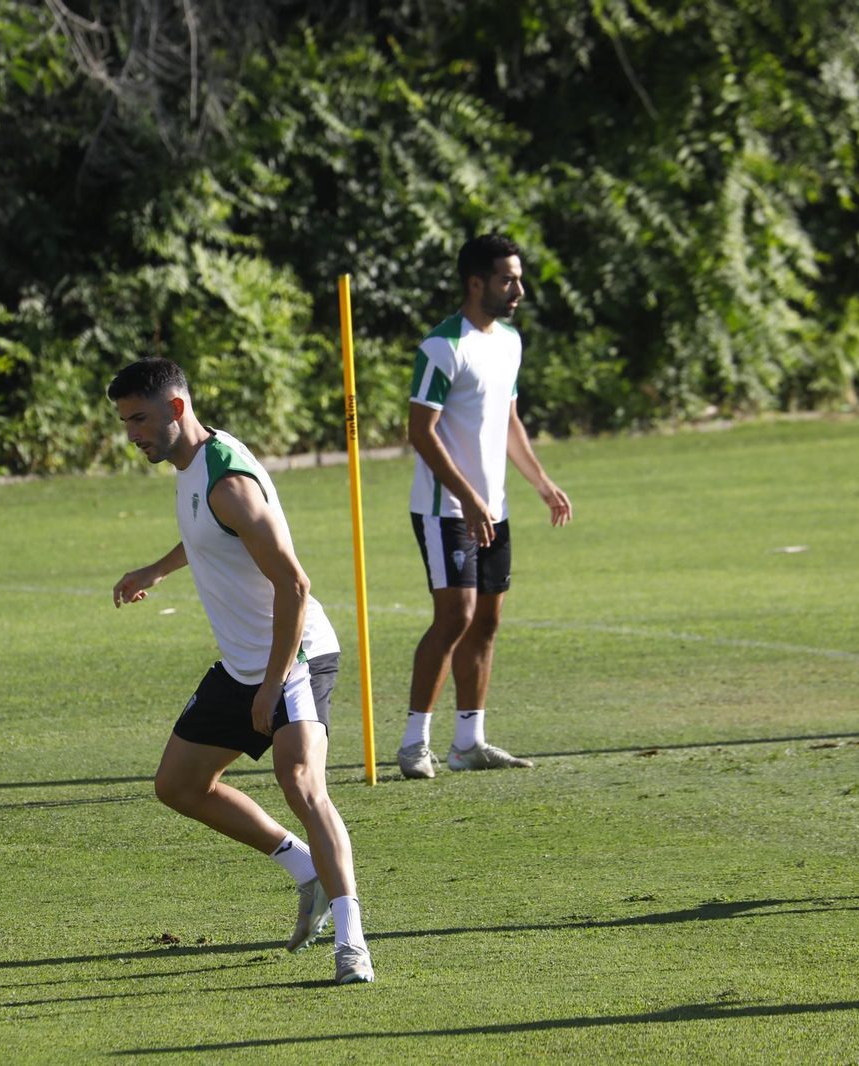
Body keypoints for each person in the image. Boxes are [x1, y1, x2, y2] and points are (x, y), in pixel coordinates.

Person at [108, 357, 374, 984]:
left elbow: (295, 584)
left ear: (176, 408)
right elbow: (211, 534)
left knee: (300, 781)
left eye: (139, 419)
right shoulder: (194, 464)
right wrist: (156, 569)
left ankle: (352, 942)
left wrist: (273, 683)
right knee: (178, 785)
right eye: (124, 423)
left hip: (296, 655)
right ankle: (305, 869)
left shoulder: (229, 482)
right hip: (242, 664)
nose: (132, 434)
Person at [398, 233, 574, 781]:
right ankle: (413, 744)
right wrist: (468, 497)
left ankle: (468, 743)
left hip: (491, 508)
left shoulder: (510, 343)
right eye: (507, 280)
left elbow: (508, 420)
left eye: (518, 278)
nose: (518, 290)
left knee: (488, 621)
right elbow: (421, 432)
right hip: (444, 509)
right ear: (476, 283)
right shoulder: (442, 346)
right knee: (456, 616)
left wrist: (541, 482)